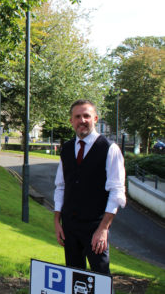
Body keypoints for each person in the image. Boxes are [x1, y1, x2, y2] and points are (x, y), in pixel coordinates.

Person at [53, 99, 126, 274]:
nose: (82, 120)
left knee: (101, 278)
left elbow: (117, 191)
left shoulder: (110, 149)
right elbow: (61, 186)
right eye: (77, 117)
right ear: (71, 121)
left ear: (95, 118)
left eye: (86, 116)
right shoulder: (67, 149)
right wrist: (57, 221)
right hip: (69, 226)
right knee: (74, 277)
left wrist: (103, 229)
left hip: (95, 226)